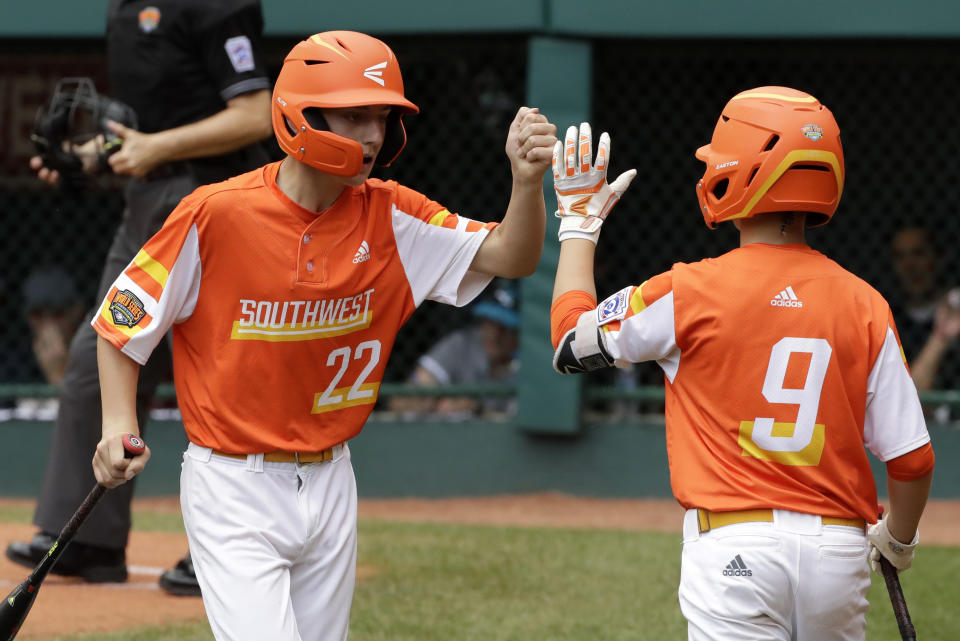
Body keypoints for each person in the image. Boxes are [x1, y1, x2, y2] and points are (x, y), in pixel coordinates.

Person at [90, 30, 555, 641]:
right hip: (233, 483)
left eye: (382, 119)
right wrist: (116, 427)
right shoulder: (215, 214)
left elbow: (510, 257)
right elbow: (121, 323)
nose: (372, 135)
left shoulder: (393, 214)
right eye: (354, 115)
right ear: (300, 114)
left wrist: (525, 182)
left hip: (334, 478)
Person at [548, 88, 934, 641]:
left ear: (738, 173)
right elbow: (913, 460)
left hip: (733, 547)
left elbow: (568, 344)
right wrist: (898, 539)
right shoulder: (865, 302)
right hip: (837, 555)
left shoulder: (688, 290)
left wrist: (579, 228)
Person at [5, 0, 273, 596]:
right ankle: (91, 541)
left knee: (229, 370)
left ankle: (233, 550)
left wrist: (158, 148)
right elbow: (148, 129)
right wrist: (92, 158)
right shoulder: (124, 8)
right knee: (95, 355)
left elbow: (257, 114)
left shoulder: (217, 6)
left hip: (217, 199)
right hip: (147, 202)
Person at [393, 278, 520, 419]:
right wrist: (436, 403)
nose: (494, 335)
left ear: (519, 332)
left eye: (504, 328)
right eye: (490, 322)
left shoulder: (527, 365)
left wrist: (476, 410)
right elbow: (402, 401)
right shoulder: (462, 344)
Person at [887, 225, 960, 394]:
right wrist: (940, 338)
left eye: (918, 253)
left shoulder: (955, 312)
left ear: (937, 258)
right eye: (901, 256)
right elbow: (910, 402)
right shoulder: (888, 322)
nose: (910, 265)